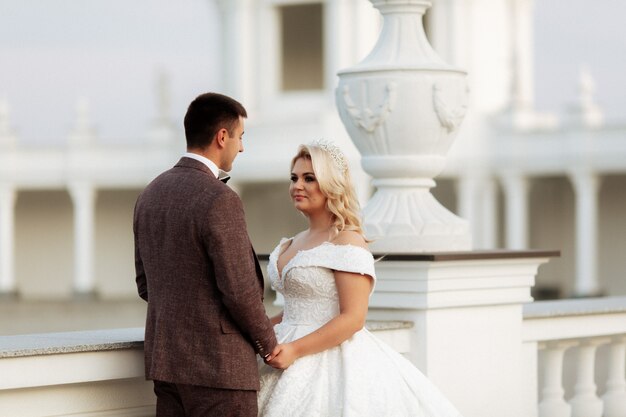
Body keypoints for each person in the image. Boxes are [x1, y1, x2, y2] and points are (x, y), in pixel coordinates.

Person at [258, 140, 464, 417]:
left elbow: (353, 318)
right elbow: (295, 310)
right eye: (294, 178)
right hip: (282, 351)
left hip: (327, 360)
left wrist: (295, 350)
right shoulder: (292, 243)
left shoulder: (347, 241)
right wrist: (257, 334)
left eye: (310, 178)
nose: (297, 186)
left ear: (331, 183)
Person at [133, 92, 278, 417]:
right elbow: (240, 292)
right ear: (221, 137)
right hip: (220, 371)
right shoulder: (220, 198)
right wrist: (269, 347)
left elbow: (146, 286)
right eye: (240, 137)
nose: (241, 147)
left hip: (167, 366)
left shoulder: (149, 194)